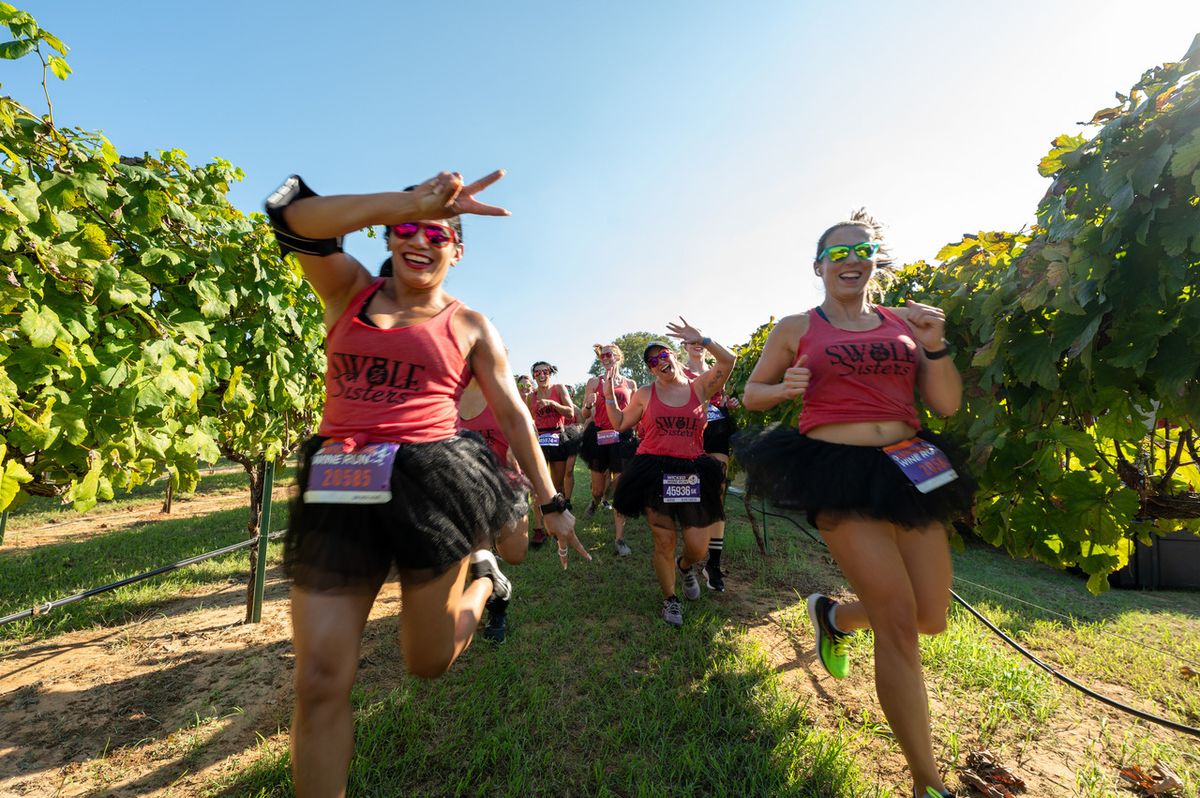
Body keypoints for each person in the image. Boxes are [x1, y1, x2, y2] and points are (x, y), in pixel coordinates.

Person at [265, 170, 589, 798]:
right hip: (338, 486)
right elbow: (292, 216)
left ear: (457, 251)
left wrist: (552, 503)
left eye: (437, 234)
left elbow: (515, 416)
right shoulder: (347, 289)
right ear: (389, 235)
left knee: (427, 662)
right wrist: (409, 203)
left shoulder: (470, 325)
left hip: (431, 486)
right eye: (407, 230)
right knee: (319, 679)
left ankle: (486, 583)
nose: (420, 241)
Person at [735, 210, 972, 798]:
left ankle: (834, 618)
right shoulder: (797, 327)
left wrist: (935, 346)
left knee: (930, 617)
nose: (851, 260)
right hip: (836, 471)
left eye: (862, 251)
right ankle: (927, 783)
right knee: (899, 625)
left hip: (909, 467)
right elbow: (752, 394)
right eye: (838, 253)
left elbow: (945, 405)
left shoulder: (903, 322)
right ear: (818, 266)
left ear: (874, 262)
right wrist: (782, 388)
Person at [605, 322, 735, 626]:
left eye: (663, 354)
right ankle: (670, 599)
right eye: (652, 361)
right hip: (654, 469)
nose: (659, 362)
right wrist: (609, 393)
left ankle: (685, 566)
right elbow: (620, 423)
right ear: (650, 370)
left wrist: (703, 339)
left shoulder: (700, 387)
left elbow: (728, 362)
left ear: (674, 355)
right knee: (663, 540)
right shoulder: (644, 394)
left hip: (692, 470)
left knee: (697, 546)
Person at [458, 376, 528, 643]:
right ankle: (496, 609)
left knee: (514, 554)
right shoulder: (448, 395)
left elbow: (527, 428)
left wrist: (515, 446)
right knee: (479, 554)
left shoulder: (503, 391)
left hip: (507, 483)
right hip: (469, 487)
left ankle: (494, 557)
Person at [681, 340, 740, 592]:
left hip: (716, 431)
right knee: (692, 495)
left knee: (718, 494)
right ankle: (688, 555)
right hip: (688, 433)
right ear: (684, 345)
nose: (696, 345)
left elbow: (720, 398)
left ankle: (713, 564)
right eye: (691, 342)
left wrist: (727, 404)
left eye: (699, 341)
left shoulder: (717, 368)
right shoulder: (678, 370)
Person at [579, 343, 638, 555]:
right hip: (600, 436)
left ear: (618, 357)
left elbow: (636, 411)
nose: (605, 358)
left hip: (623, 436)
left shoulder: (630, 384)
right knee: (597, 489)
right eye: (602, 355)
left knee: (620, 486)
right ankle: (596, 501)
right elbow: (585, 415)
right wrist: (588, 405)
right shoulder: (594, 382)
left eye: (609, 355)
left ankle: (619, 539)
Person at [526, 361, 577, 546]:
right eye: (537, 372)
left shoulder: (559, 388)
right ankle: (539, 529)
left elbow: (570, 412)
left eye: (545, 371)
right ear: (534, 375)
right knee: (536, 487)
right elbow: (529, 419)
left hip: (557, 437)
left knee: (556, 486)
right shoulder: (531, 396)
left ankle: (558, 523)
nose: (541, 375)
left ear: (550, 373)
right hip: (539, 440)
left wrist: (552, 403)